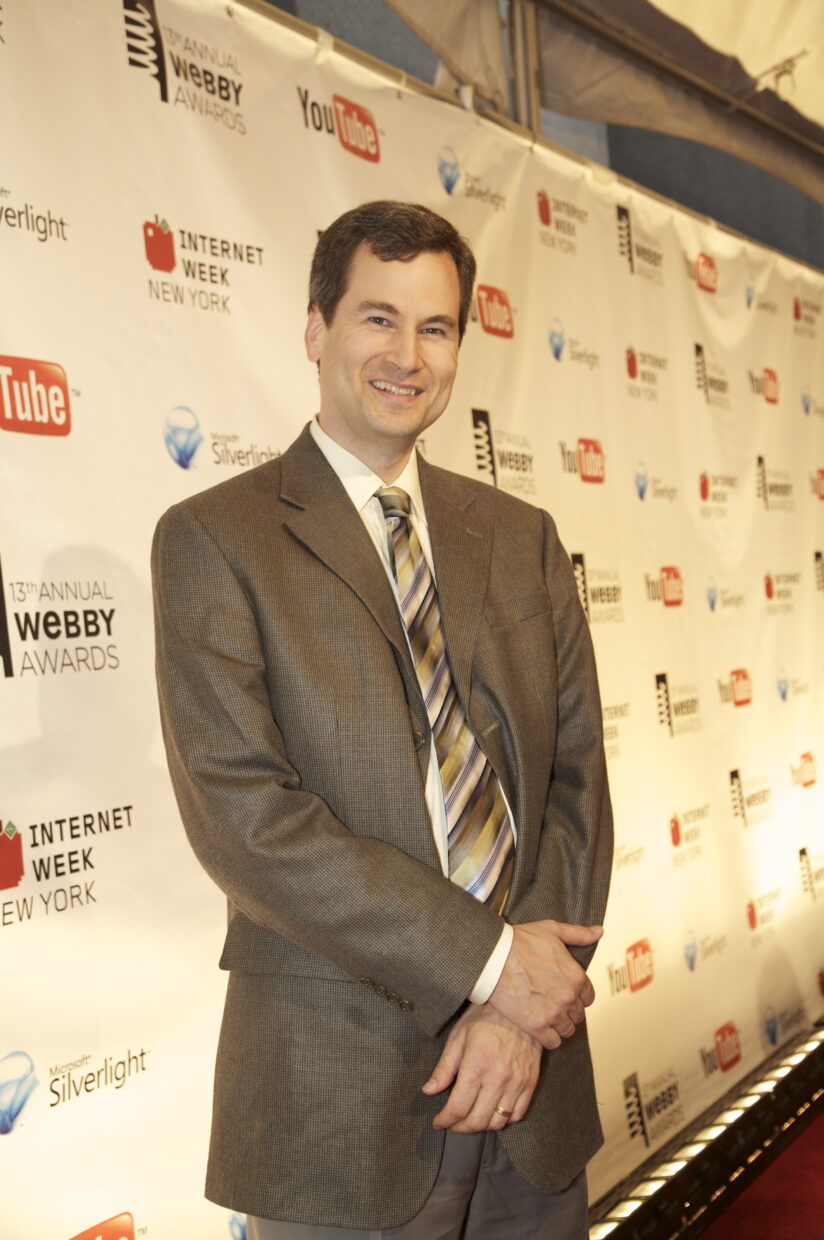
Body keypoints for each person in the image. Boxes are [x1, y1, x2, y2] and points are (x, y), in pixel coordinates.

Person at [152, 200, 613, 1239]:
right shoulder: (215, 539)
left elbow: (573, 780)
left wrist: (517, 1010)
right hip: (340, 1089)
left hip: (534, 1079)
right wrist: (493, 966)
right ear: (315, 330)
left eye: (435, 327)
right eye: (376, 318)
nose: (406, 355)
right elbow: (247, 822)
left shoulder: (521, 535)